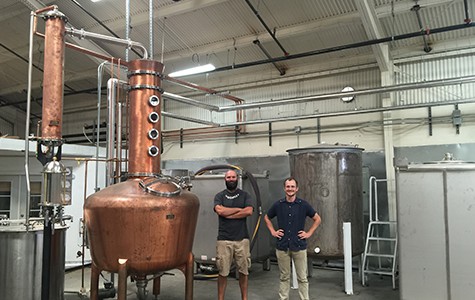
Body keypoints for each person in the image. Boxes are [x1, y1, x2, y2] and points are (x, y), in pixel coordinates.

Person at [264, 177, 321, 300]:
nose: (290, 189)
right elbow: (267, 217)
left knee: (302, 277)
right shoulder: (278, 205)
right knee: (284, 277)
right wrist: (273, 231)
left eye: (292, 187)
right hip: (282, 246)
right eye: (288, 187)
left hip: (299, 246)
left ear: (297, 188)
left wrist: (309, 233)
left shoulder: (303, 205)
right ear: (284, 188)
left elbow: (317, 219)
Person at [214, 169, 254, 300]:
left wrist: (228, 213)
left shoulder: (245, 195)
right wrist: (238, 210)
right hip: (224, 240)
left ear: (237, 179)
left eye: (233, 177)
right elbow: (220, 210)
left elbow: (248, 211)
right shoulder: (219, 196)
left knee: (244, 272)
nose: (231, 179)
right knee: (223, 272)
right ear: (225, 180)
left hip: (242, 240)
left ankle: (244, 298)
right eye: (228, 177)